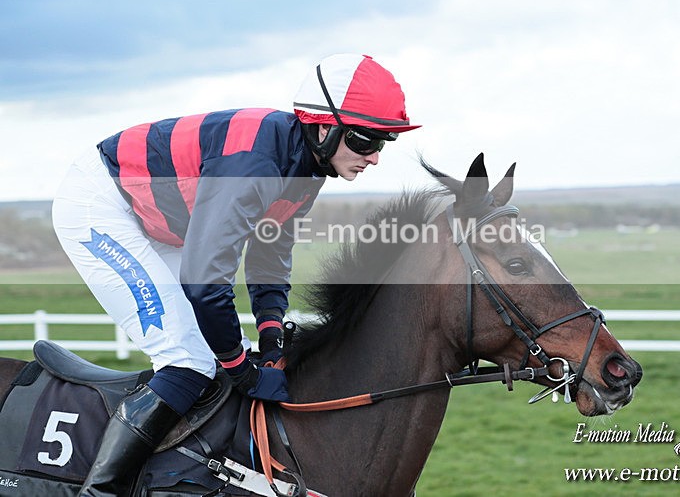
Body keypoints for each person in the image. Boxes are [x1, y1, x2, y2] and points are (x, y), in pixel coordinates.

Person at [51, 53, 421, 496]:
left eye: (384, 144)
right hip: (102, 205)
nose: (375, 157)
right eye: (365, 141)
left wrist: (269, 336)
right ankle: (99, 491)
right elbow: (206, 285)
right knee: (188, 358)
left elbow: (269, 255)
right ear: (324, 127)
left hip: (162, 223)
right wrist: (242, 370)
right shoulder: (254, 163)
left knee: (219, 354)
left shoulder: (307, 165)